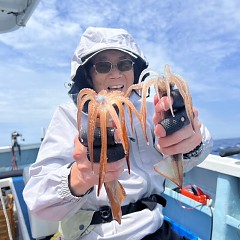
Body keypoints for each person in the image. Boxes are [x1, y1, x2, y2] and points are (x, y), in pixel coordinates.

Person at [23, 27, 213, 240]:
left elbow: (196, 148)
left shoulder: (151, 110)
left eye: (125, 64)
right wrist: (81, 175)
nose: (116, 73)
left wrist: (190, 140)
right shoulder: (69, 116)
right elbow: (38, 200)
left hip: (156, 228)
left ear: (135, 70)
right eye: (103, 66)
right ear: (88, 74)